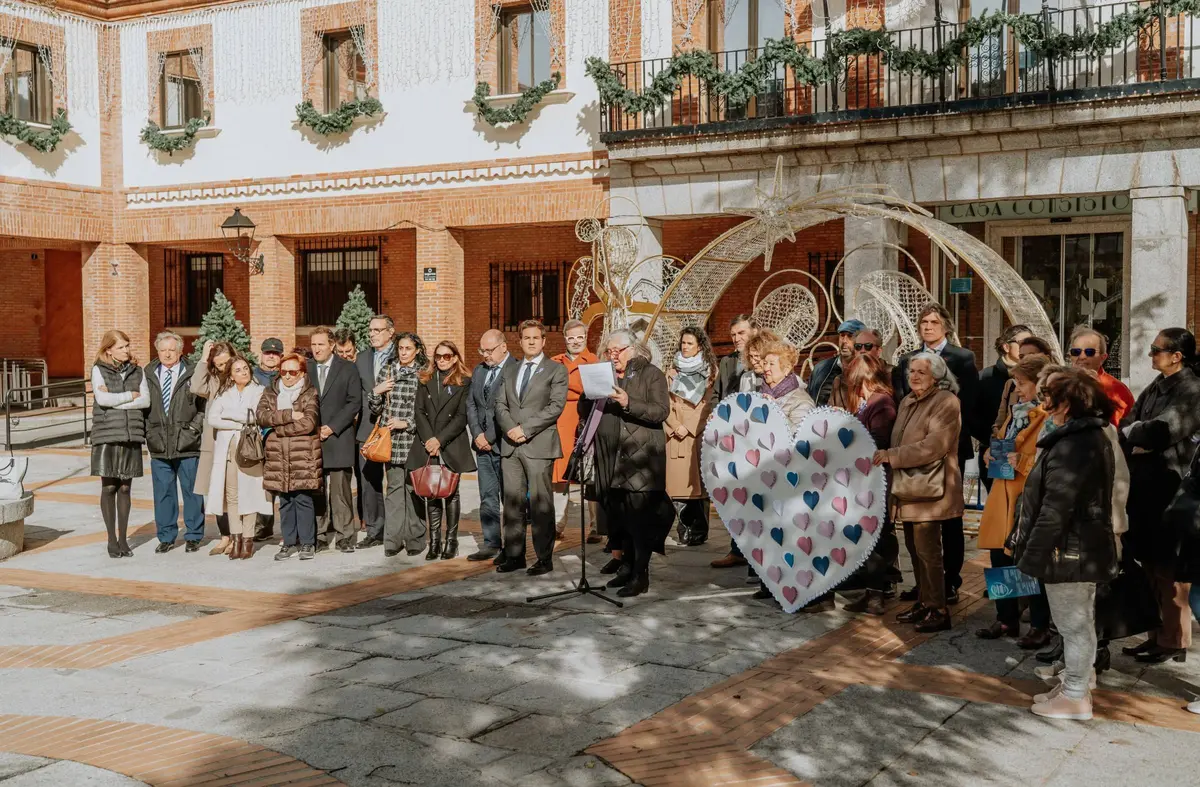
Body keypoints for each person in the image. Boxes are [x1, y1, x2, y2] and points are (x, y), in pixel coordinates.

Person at [1011, 369, 1118, 721]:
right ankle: (1074, 685)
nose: (1043, 403)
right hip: (1076, 547)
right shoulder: (1082, 437)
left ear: (1067, 402)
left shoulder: (1075, 443)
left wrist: (1031, 556)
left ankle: (1075, 695)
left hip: (1071, 549)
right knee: (1076, 622)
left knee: (1073, 624)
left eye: (1048, 397)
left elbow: (1056, 508)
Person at [1120, 327, 1200, 664]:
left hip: (1172, 491)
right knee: (1148, 565)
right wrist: (1134, 434)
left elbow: (1160, 431)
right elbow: (1128, 422)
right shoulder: (1156, 385)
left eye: (1156, 350)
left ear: (1176, 356)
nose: (1151, 355)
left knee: (1170, 570)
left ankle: (1174, 641)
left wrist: (1137, 435)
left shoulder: (1193, 389)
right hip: (1144, 489)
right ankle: (1155, 634)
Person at [892, 303, 977, 605]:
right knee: (916, 525)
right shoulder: (906, 360)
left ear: (946, 326)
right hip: (913, 453)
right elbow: (903, 400)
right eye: (923, 322)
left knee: (949, 520)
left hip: (949, 449)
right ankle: (925, 589)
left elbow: (970, 403)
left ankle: (949, 583)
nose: (928, 326)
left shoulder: (963, 358)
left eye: (934, 322)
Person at [876, 351, 963, 633]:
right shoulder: (908, 400)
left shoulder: (946, 402)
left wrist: (892, 455)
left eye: (921, 372)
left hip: (931, 489)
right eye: (911, 371)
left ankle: (938, 609)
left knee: (929, 551)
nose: (913, 376)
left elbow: (934, 446)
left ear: (936, 376)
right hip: (910, 486)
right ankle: (925, 601)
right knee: (914, 548)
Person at [976, 354, 1052, 641]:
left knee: (1028, 562)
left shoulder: (1047, 417)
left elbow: (1046, 462)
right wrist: (990, 450)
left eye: (1021, 384)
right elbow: (1003, 441)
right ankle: (1005, 619)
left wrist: (1018, 460)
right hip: (1001, 494)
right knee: (999, 557)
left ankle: (1039, 625)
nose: (1017, 390)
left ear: (1039, 384)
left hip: (1025, 500)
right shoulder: (1016, 412)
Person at [594, 329, 672, 597]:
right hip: (613, 457)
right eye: (609, 351)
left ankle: (641, 575)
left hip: (640, 459)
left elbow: (660, 411)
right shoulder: (606, 375)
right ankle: (626, 568)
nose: (613, 356)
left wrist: (628, 401)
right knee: (620, 519)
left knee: (639, 523)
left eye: (619, 351)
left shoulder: (652, 374)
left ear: (634, 349)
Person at [494, 320, 569, 575]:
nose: (531, 341)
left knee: (540, 505)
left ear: (544, 340)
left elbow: (555, 407)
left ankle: (543, 558)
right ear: (520, 341)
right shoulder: (511, 370)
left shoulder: (555, 370)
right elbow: (500, 404)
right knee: (512, 504)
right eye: (526, 338)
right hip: (510, 446)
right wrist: (510, 429)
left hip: (538, 445)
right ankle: (515, 555)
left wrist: (524, 430)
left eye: (536, 337)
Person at [753, 340, 818, 604]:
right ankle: (770, 581)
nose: (765, 369)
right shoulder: (764, 393)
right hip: (765, 475)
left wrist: (773, 411)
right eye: (764, 363)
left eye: (771, 364)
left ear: (787, 367)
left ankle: (796, 588)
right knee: (767, 531)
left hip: (790, 478)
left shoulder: (799, 398)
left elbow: (801, 437)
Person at [841, 354, 899, 615]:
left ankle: (877, 594)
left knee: (876, 537)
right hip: (864, 480)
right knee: (868, 538)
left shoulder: (881, 402)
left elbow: (877, 440)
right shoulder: (867, 403)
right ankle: (870, 592)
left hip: (877, 480)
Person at [408, 341, 475, 560]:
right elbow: (418, 411)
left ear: (456, 357)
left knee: (451, 492)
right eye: (438, 356)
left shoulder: (464, 381)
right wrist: (429, 439)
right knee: (431, 491)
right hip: (427, 442)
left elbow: (461, 417)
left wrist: (440, 440)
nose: (442, 360)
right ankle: (434, 541)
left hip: (451, 442)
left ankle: (451, 540)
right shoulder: (426, 379)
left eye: (447, 356)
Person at [143, 331, 205, 553]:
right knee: (163, 493)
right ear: (157, 351)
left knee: (192, 492)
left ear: (180, 351)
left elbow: (203, 406)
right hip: (159, 442)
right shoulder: (148, 373)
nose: (167, 354)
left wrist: (194, 429)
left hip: (187, 443)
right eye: (163, 350)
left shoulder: (193, 372)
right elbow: (143, 407)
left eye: (172, 350)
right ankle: (166, 536)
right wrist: (149, 432)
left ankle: (193, 535)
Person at [204, 357, 272, 559]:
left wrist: (230, 415)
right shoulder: (225, 393)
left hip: (249, 449)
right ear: (231, 376)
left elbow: (254, 417)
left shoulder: (259, 390)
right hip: (227, 450)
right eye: (238, 370)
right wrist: (238, 421)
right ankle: (237, 538)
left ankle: (248, 540)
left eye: (245, 368)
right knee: (232, 495)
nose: (243, 372)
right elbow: (213, 418)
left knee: (249, 493)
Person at [91, 330, 150, 558]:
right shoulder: (99, 369)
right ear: (109, 350)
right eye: (121, 347)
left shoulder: (138, 370)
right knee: (109, 487)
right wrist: (130, 395)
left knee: (125, 487)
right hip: (106, 436)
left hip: (130, 436)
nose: (126, 350)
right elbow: (102, 400)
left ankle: (124, 539)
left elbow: (145, 400)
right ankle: (111, 540)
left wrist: (120, 399)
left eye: (127, 346)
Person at [257, 353, 321, 560]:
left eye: (292, 372)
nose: (287, 376)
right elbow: (262, 416)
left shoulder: (309, 393)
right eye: (283, 372)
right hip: (278, 456)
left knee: (302, 499)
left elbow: (309, 423)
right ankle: (288, 542)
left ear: (301, 372)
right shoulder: (270, 391)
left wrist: (278, 428)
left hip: (302, 455)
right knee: (284, 501)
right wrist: (290, 415)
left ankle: (308, 543)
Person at [369, 332, 428, 558]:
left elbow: (427, 409)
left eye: (408, 349)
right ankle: (392, 540)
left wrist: (408, 423)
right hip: (390, 440)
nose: (403, 353)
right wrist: (376, 392)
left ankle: (415, 538)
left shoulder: (423, 373)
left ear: (417, 350)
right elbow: (376, 409)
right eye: (400, 348)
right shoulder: (387, 370)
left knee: (414, 490)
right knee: (393, 491)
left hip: (413, 439)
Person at [466, 328, 519, 562]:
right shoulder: (479, 371)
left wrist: (490, 436)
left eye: (489, 350)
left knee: (509, 498)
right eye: (482, 350)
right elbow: (471, 405)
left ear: (503, 347)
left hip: (504, 444)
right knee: (487, 495)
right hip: (482, 446)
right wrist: (477, 434)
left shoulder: (515, 369)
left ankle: (512, 546)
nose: (485, 355)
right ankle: (491, 542)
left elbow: (510, 410)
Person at [308, 326, 362, 553]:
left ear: (332, 345)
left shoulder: (348, 368)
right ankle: (319, 535)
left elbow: (354, 402)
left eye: (321, 344)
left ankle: (345, 536)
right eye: (313, 344)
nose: (316, 349)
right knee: (316, 490)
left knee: (340, 492)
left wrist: (331, 427)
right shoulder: (306, 368)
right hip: (311, 438)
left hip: (338, 437)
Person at [710, 314, 758, 570]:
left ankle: (756, 554)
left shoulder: (763, 359)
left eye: (741, 333)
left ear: (754, 332)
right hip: (732, 441)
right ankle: (737, 549)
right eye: (733, 335)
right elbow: (716, 397)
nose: (737, 339)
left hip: (759, 442)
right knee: (735, 497)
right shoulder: (727, 362)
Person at [666, 326, 716, 547]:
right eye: (683, 343)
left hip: (695, 432)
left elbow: (707, 404)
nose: (685, 347)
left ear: (699, 346)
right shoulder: (671, 370)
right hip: (674, 432)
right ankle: (683, 528)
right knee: (677, 484)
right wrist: (674, 425)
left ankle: (698, 530)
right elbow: (664, 401)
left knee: (696, 482)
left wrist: (688, 426)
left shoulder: (709, 371)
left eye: (690, 344)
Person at [551, 320, 600, 540]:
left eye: (579, 337)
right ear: (565, 339)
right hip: (561, 422)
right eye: (571, 338)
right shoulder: (555, 362)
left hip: (585, 421)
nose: (575, 342)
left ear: (586, 337)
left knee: (589, 474)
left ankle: (596, 526)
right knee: (559, 476)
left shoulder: (595, 361)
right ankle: (557, 524)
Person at [191, 340, 238, 555]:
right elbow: (196, 387)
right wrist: (203, 357)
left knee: (235, 492)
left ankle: (238, 536)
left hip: (236, 442)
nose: (224, 368)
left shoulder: (242, 376)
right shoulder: (212, 381)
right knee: (217, 491)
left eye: (227, 362)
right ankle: (224, 537)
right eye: (219, 365)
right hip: (214, 442)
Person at [973, 324, 1033, 486]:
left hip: (1027, 454)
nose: (1026, 347)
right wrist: (994, 440)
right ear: (1006, 346)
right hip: (996, 450)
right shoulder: (985, 377)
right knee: (999, 504)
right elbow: (971, 415)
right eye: (1022, 342)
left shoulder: (1039, 377)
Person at [354, 315, 395, 549]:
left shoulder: (400, 356)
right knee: (369, 482)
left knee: (397, 482)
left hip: (395, 429)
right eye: (371, 330)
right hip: (367, 430)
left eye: (378, 330)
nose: (373, 334)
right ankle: (374, 529)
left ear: (390, 332)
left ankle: (397, 527)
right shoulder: (361, 359)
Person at [251, 337, 284, 541]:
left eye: (275, 353)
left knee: (279, 481)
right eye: (267, 353)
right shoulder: (252, 375)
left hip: (279, 434)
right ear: (261, 354)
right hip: (256, 436)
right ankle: (263, 525)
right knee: (260, 483)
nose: (271, 356)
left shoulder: (286, 375)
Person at [1069, 326, 1134, 425]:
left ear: (1103, 358)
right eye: (1076, 352)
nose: (1081, 357)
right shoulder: (1060, 384)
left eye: (1089, 352)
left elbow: (1117, 430)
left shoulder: (1117, 390)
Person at [807, 319, 866, 406]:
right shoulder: (822, 368)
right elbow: (810, 400)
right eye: (842, 335)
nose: (844, 341)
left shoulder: (869, 370)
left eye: (850, 336)